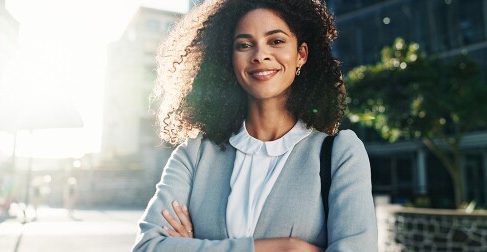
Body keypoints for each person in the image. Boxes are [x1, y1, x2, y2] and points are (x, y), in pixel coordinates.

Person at [132, 0, 377, 251]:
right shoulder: (194, 155)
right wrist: (286, 248)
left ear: (301, 55)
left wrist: (195, 247)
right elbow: (148, 247)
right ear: (230, 59)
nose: (260, 55)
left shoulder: (340, 153)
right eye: (244, 45)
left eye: (276, 41)